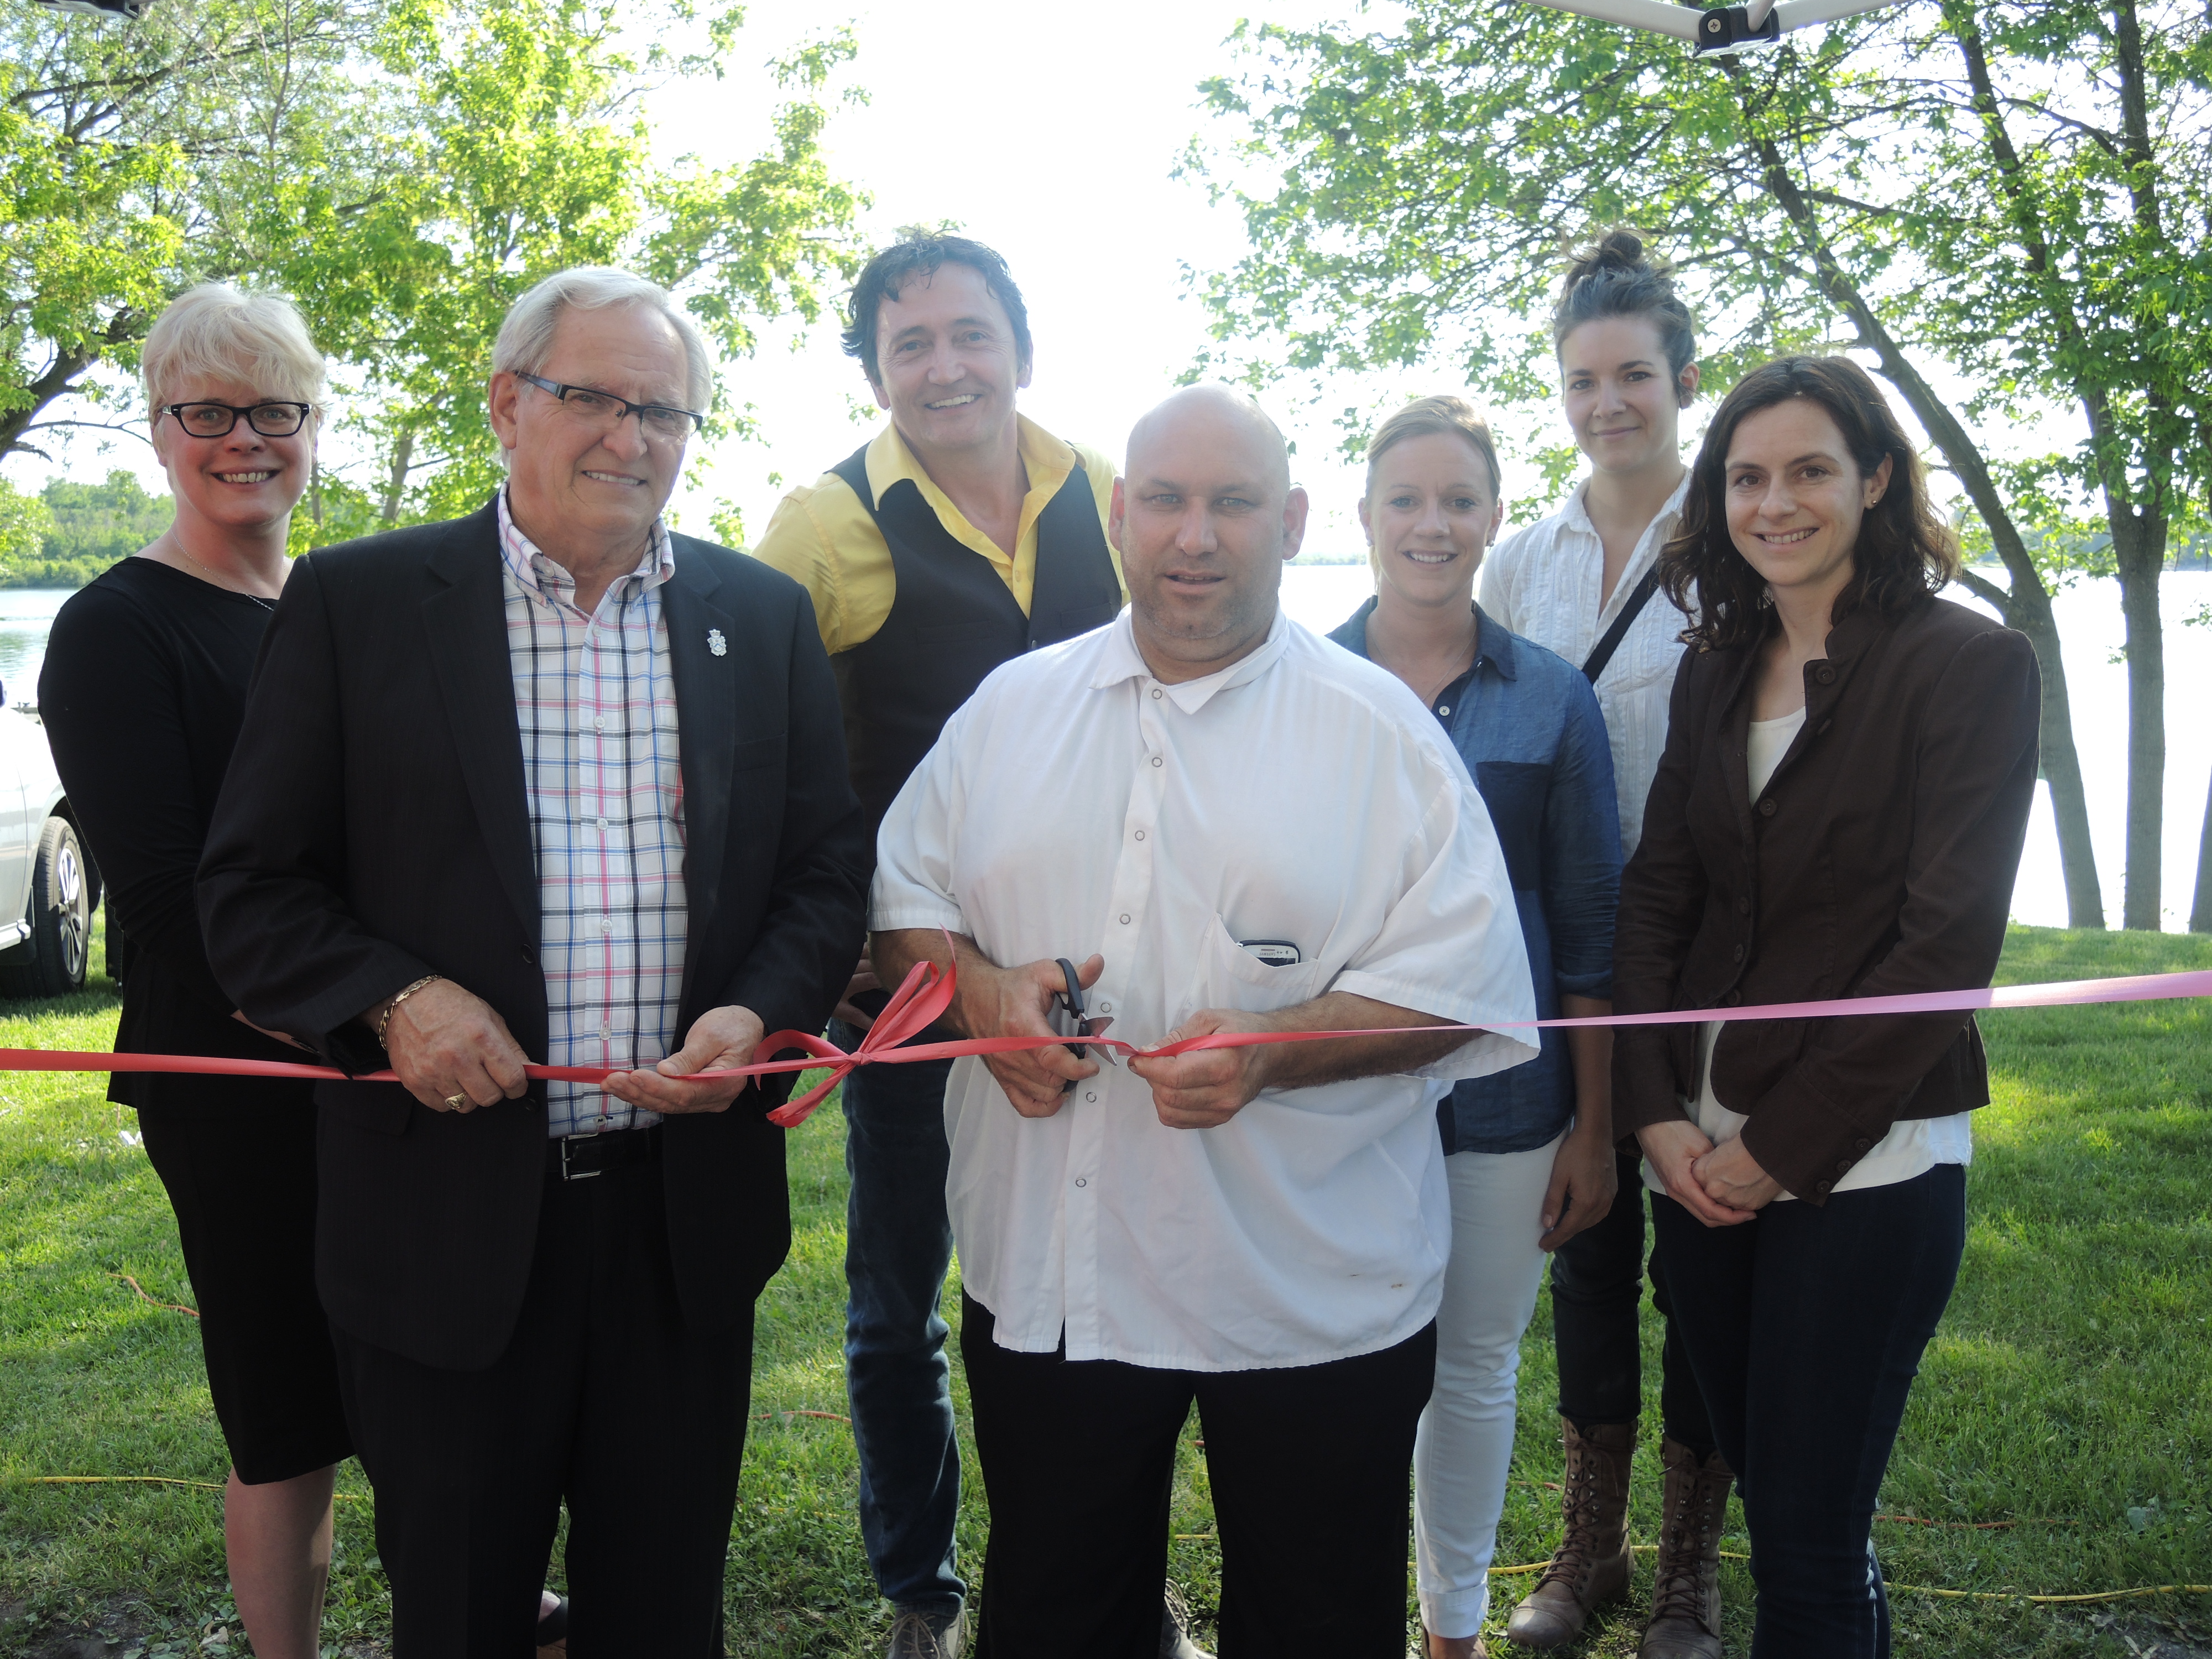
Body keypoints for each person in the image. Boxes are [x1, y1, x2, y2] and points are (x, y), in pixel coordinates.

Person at [196, 267, 870, 1657]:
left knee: (661, 1614)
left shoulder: (762, 617)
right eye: (593, 398)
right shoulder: (357, 604)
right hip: (442, 1229)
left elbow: (821, 876)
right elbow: (250, 890)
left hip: (680, 1232)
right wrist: (391, 1001)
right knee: (456, 1613)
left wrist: (758, 1012)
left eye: (665, 412)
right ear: (508, 404)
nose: (630, 437)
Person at [868, 384, 1541, 1659]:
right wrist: (976, 988)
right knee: (1057, 1617)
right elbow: (904, 898)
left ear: (1288, 523)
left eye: (1231, 503)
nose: (1194, 535)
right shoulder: (1010, 708)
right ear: (1118, 516)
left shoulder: (1379, 733)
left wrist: (1277, 1051)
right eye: (1165, 501)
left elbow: (1463, 987)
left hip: (1307, 1295)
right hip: (1052, 1282)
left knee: (1316, 1621)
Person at [1615, 355, 2039, 1658]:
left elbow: (1943, 947)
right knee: (1777, 1510)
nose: (1773, 502)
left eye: (1807, 470)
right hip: (1693, 1161)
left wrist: (1774, 1154)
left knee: (1804, 1537)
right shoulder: (1711, 664)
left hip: (1865, 1168)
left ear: (1873, 478)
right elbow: (1653, 905)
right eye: (1745, 476)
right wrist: (1653, 1123)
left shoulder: (1967, 665)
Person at [751, 233, 1124, 1659]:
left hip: (1100, 974)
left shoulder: (1105, 487)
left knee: (1102, 1290)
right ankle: (920, 1587)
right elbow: (766, 758)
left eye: (969, 334)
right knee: (897, 1303)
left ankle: (1099, 1574)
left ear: (1019, 347)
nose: (945, 366)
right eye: (909, 345)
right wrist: (830, 936)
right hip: (905, 987)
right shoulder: (822, 523)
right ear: (873, 370)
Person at [39, 284, 352, 1659]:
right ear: (159, 429)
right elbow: (168, 907)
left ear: (312, 429)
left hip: (376, 1061)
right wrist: (367, 1019)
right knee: (285, 1409)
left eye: (274, 410)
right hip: (232, 1076)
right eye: (206, 413)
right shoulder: (118, 628)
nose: (244, 440)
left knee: (406, 1365)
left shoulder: (336, 607)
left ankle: (487, 1598)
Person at [1325, 397, 1622, 1659]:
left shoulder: (1551, 700)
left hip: (1509, 1109)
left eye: (1458, 501)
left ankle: (1449, 1631)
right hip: (1335, 1101)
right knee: (1340, 1375)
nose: (1431, 525)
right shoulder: (1303, 686)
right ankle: (1346, 1618)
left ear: (1495, 520)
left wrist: (1594, 1129)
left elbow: (1590, 934)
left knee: (1474, 1369)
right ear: (1365, 516)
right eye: (1406, 499)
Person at [1477, 228, 1727, 1655]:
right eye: (1581, 379)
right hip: (1570, 947)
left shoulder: (1735, 532)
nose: (1606, 403)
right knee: (1581, 1230)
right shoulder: (1521, 561)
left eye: (1631, 375)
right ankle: (1590, 1548)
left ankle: (1689, 1555)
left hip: (1703, 950)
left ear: (1681, 382)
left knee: (1695, 1236)